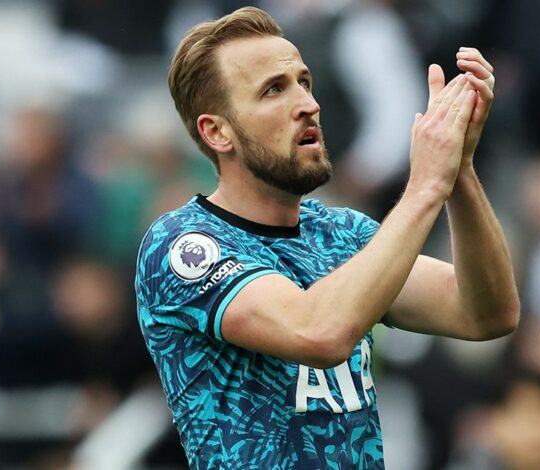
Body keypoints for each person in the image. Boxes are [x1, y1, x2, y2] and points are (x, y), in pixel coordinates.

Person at [134, 6, 519, 469]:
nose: (308, 104)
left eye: (305, 82)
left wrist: (459, 173)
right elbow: (318, 332)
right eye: (274, 90)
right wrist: (425, 186)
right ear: (218, 132)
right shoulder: (183, 245)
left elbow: (487, 313)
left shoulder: (344, 233)